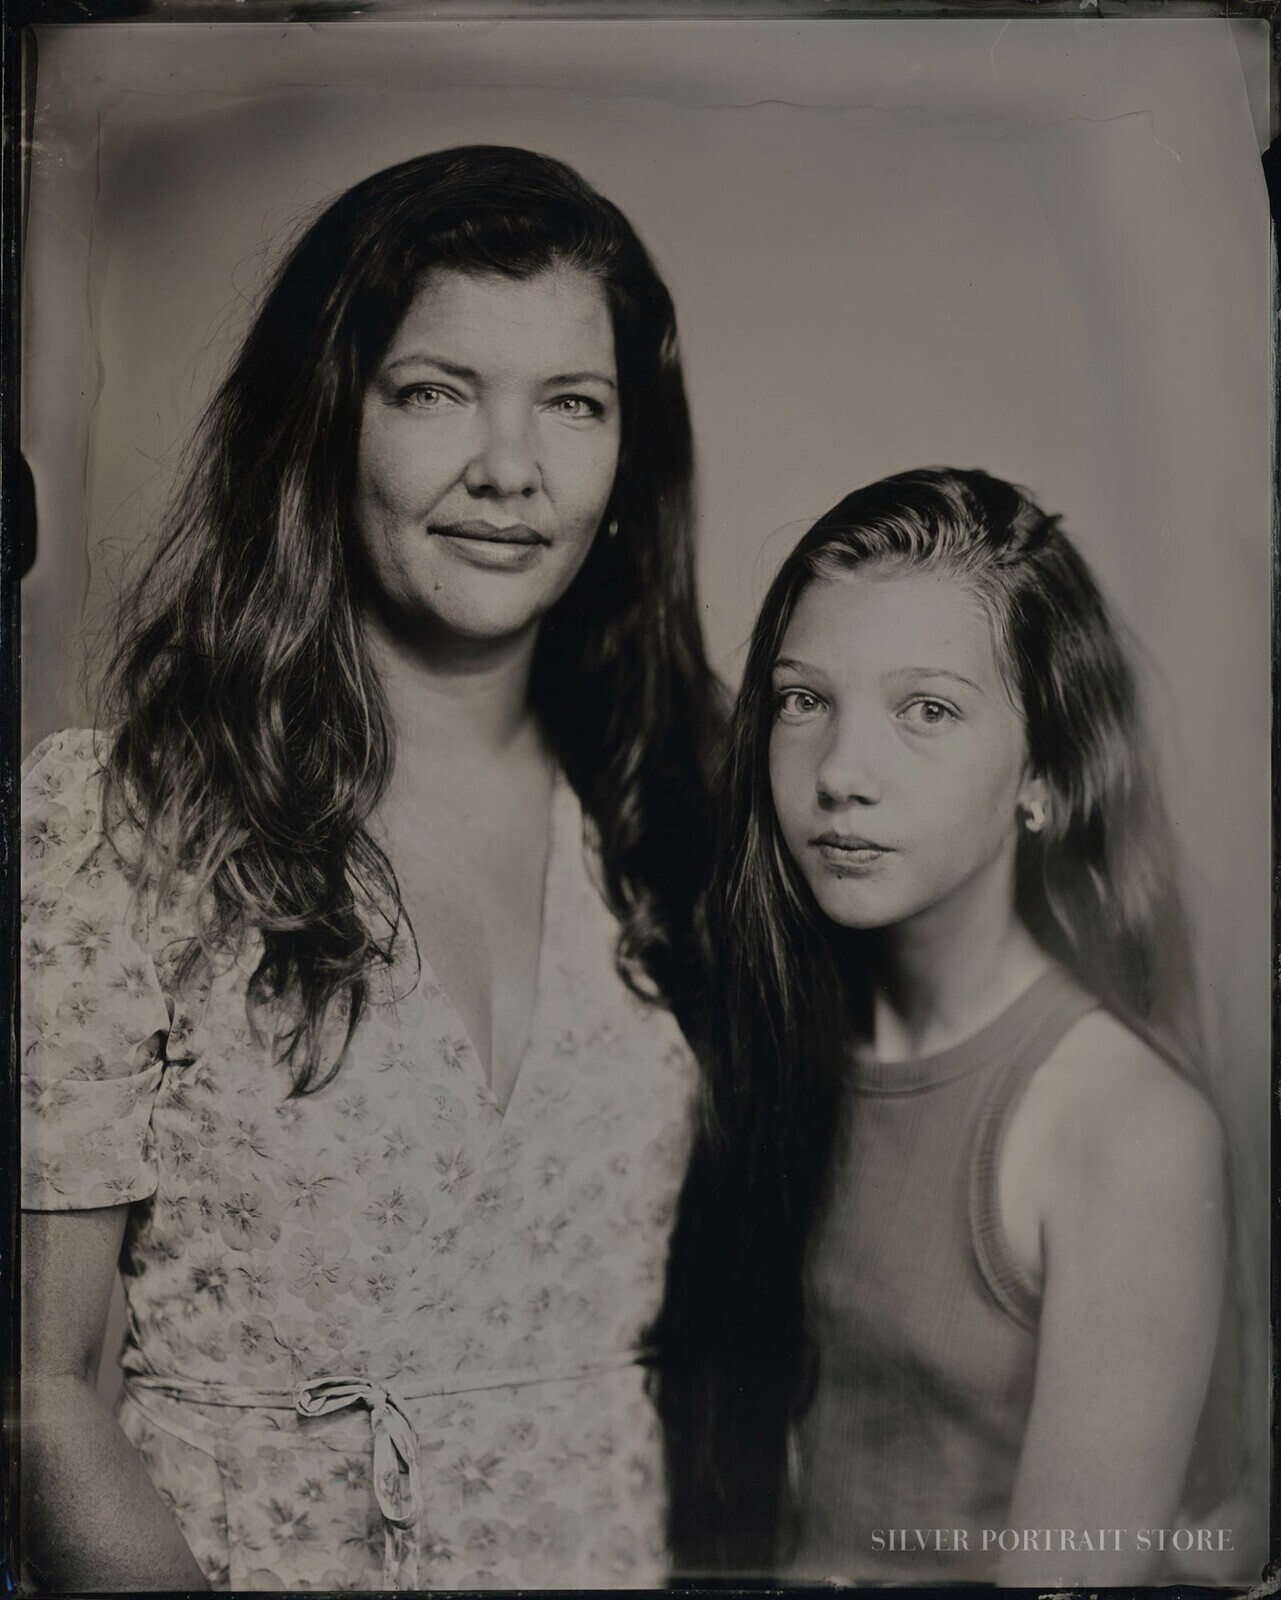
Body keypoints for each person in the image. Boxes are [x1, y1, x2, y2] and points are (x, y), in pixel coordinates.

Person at [21, 145, 719, 1592]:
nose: (510, 470)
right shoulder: (119, 820)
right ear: (328, 421)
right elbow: (40, 1397)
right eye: (435, 391)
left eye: (573, 404)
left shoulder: (673, 813)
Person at [649, 467, 1239, 1587]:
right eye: (802, 699)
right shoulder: (777, 1042)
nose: (841, 775)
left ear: (1045, 777)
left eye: (928, 709)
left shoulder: (1127, 1132)